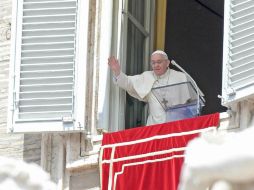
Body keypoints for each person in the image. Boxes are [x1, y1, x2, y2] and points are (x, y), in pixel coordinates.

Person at [108, 50, 191, 125]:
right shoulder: (147, 76)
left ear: (167, 63)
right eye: (153, 63)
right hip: (154, 126)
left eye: (159, 62)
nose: (156, 65)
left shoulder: (180, 77)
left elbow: (191, 102)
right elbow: (128, 82)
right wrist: (117, 72)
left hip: (176, 125)